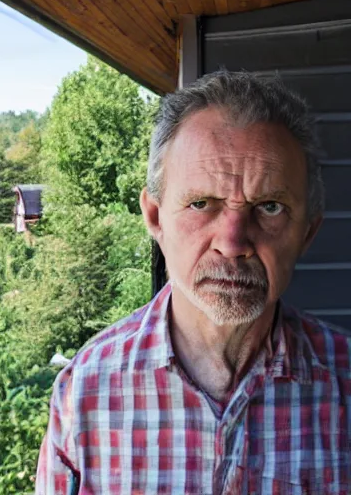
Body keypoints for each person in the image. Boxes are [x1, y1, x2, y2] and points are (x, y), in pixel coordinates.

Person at [35, 71, 351, 494]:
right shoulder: (85, 391)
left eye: (270, 206)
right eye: (201, 203)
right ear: (154, 216)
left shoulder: (345, 383)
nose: (233, 243)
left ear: (307, 233)